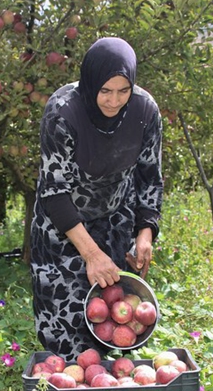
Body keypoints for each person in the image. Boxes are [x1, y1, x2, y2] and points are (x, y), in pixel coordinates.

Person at [30, 37, 163, 361]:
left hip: (115, 217)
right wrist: (91, 253)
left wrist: (145, 234)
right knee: (65, 328)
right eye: (105, 91)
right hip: (63, 224)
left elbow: (149, 176)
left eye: (123, 90)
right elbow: (55, 192)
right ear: (90, 83)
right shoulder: (63, 112)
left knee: (109, 317)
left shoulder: (145, 111)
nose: (114, 101)